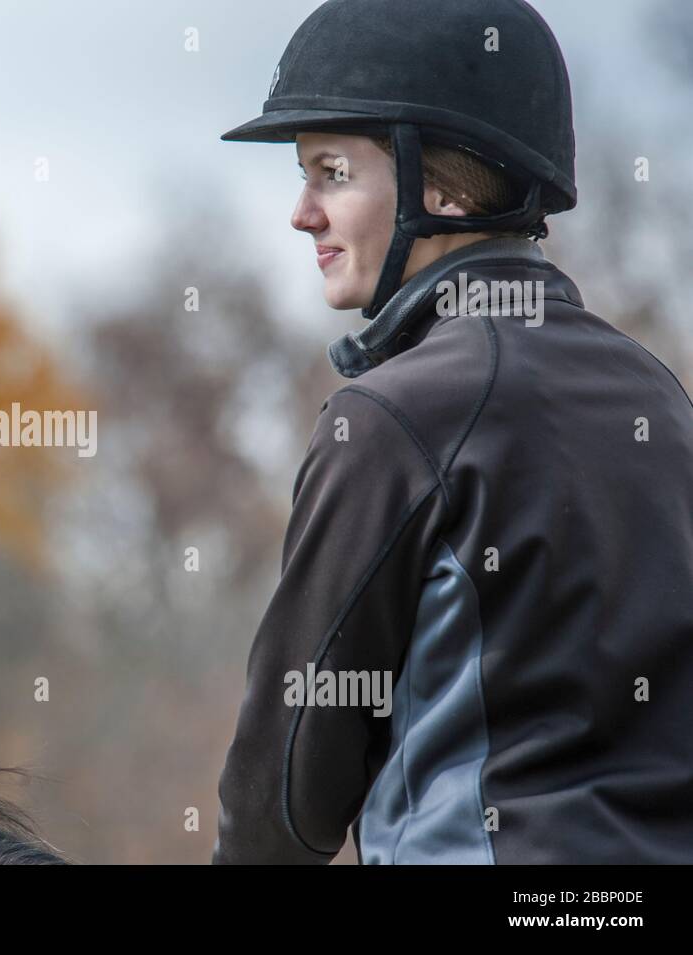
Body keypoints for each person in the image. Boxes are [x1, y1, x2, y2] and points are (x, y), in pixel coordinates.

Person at [211, 0, 693, 864]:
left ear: (437, 185)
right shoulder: (660, 398)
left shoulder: (392, 418)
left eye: (331, 174)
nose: (301, 213)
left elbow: (281, 806)